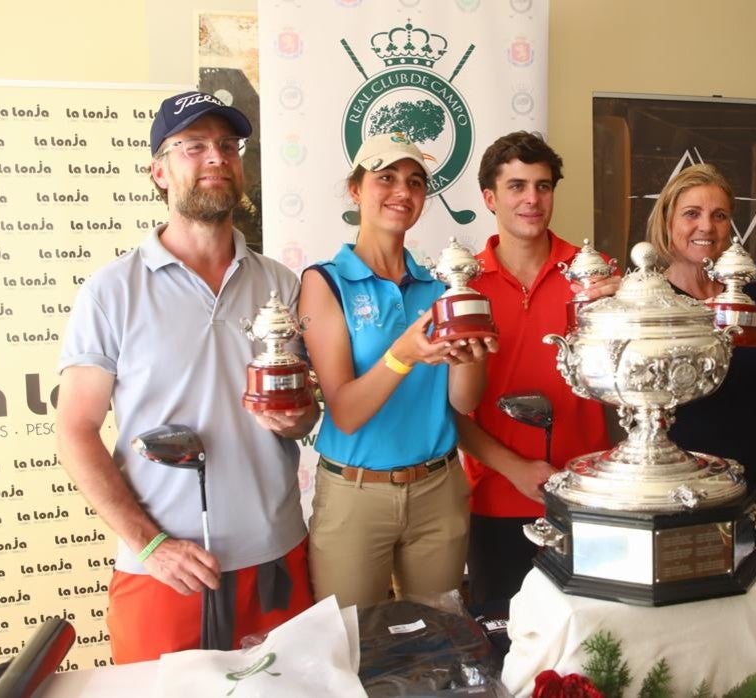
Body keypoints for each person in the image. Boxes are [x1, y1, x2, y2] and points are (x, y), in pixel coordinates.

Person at [56, 91, 320, 662]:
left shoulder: (283, 285)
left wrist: (301, 417)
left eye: (227, 145)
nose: (215, 158)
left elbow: (307, 414)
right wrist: (149, 544)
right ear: (159, 170)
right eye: (192, 146)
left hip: (276, 558)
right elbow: (74, 430)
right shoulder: (111, 291)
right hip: (165, 572)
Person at [299, 132, 494, 609]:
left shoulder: (440, 287)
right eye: (385, 178)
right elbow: (343, 412)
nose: (402, 193)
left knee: (438, 644)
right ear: (356, 190)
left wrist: (474, 354)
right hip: (356, 495)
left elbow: (463, 403)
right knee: (349, 646)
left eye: (415, 182)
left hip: (438, 489)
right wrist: (402, 355)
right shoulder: (324, 282)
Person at [456, 131, 617, 606]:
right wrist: (515, 469)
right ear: (490, 197)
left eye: (543, 186)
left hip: (589, 496)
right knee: (506, 650)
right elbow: (447, 410)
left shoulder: (597, 275)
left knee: (595, 648)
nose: (532, 199)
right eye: (517, 186)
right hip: (496, 498)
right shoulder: (460, 286)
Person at [644, 163, 756, 528]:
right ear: (668, 223)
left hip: (754, 487)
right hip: (677, 490)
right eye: (691, 214)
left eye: (719, 215)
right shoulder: (649, 302)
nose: (706, 227)